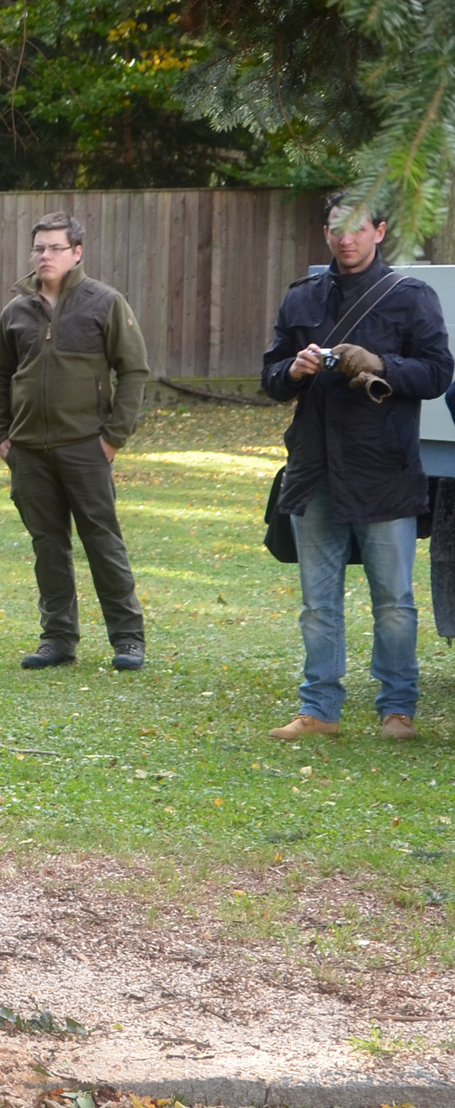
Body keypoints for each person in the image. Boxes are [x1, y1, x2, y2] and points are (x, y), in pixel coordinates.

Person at [260, 191, 454, 742]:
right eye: (335, 228)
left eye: (357, 227)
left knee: (394, 600)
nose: (346, 237)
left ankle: (398, 710)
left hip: (384, 469)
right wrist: (293, 373)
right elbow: (270, 379)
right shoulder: (302, 298)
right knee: (317, 603)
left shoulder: (411, 297)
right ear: (326, 234)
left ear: (380, 231)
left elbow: (439, 374)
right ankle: (319, 709)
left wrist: (383, 365)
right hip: (314, 468)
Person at [0, 212, 152, 671]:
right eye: (39, 247)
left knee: (103, 542)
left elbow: (134, 370)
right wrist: (1, 437)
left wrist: (113, 438)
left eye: (55, 247)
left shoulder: (105, 302)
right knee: (48, 545)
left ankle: (128, 638)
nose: (45, 255)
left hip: (86, 447)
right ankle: (58, 638)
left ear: (77, 252)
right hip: (28, 452)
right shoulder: (15, 311)